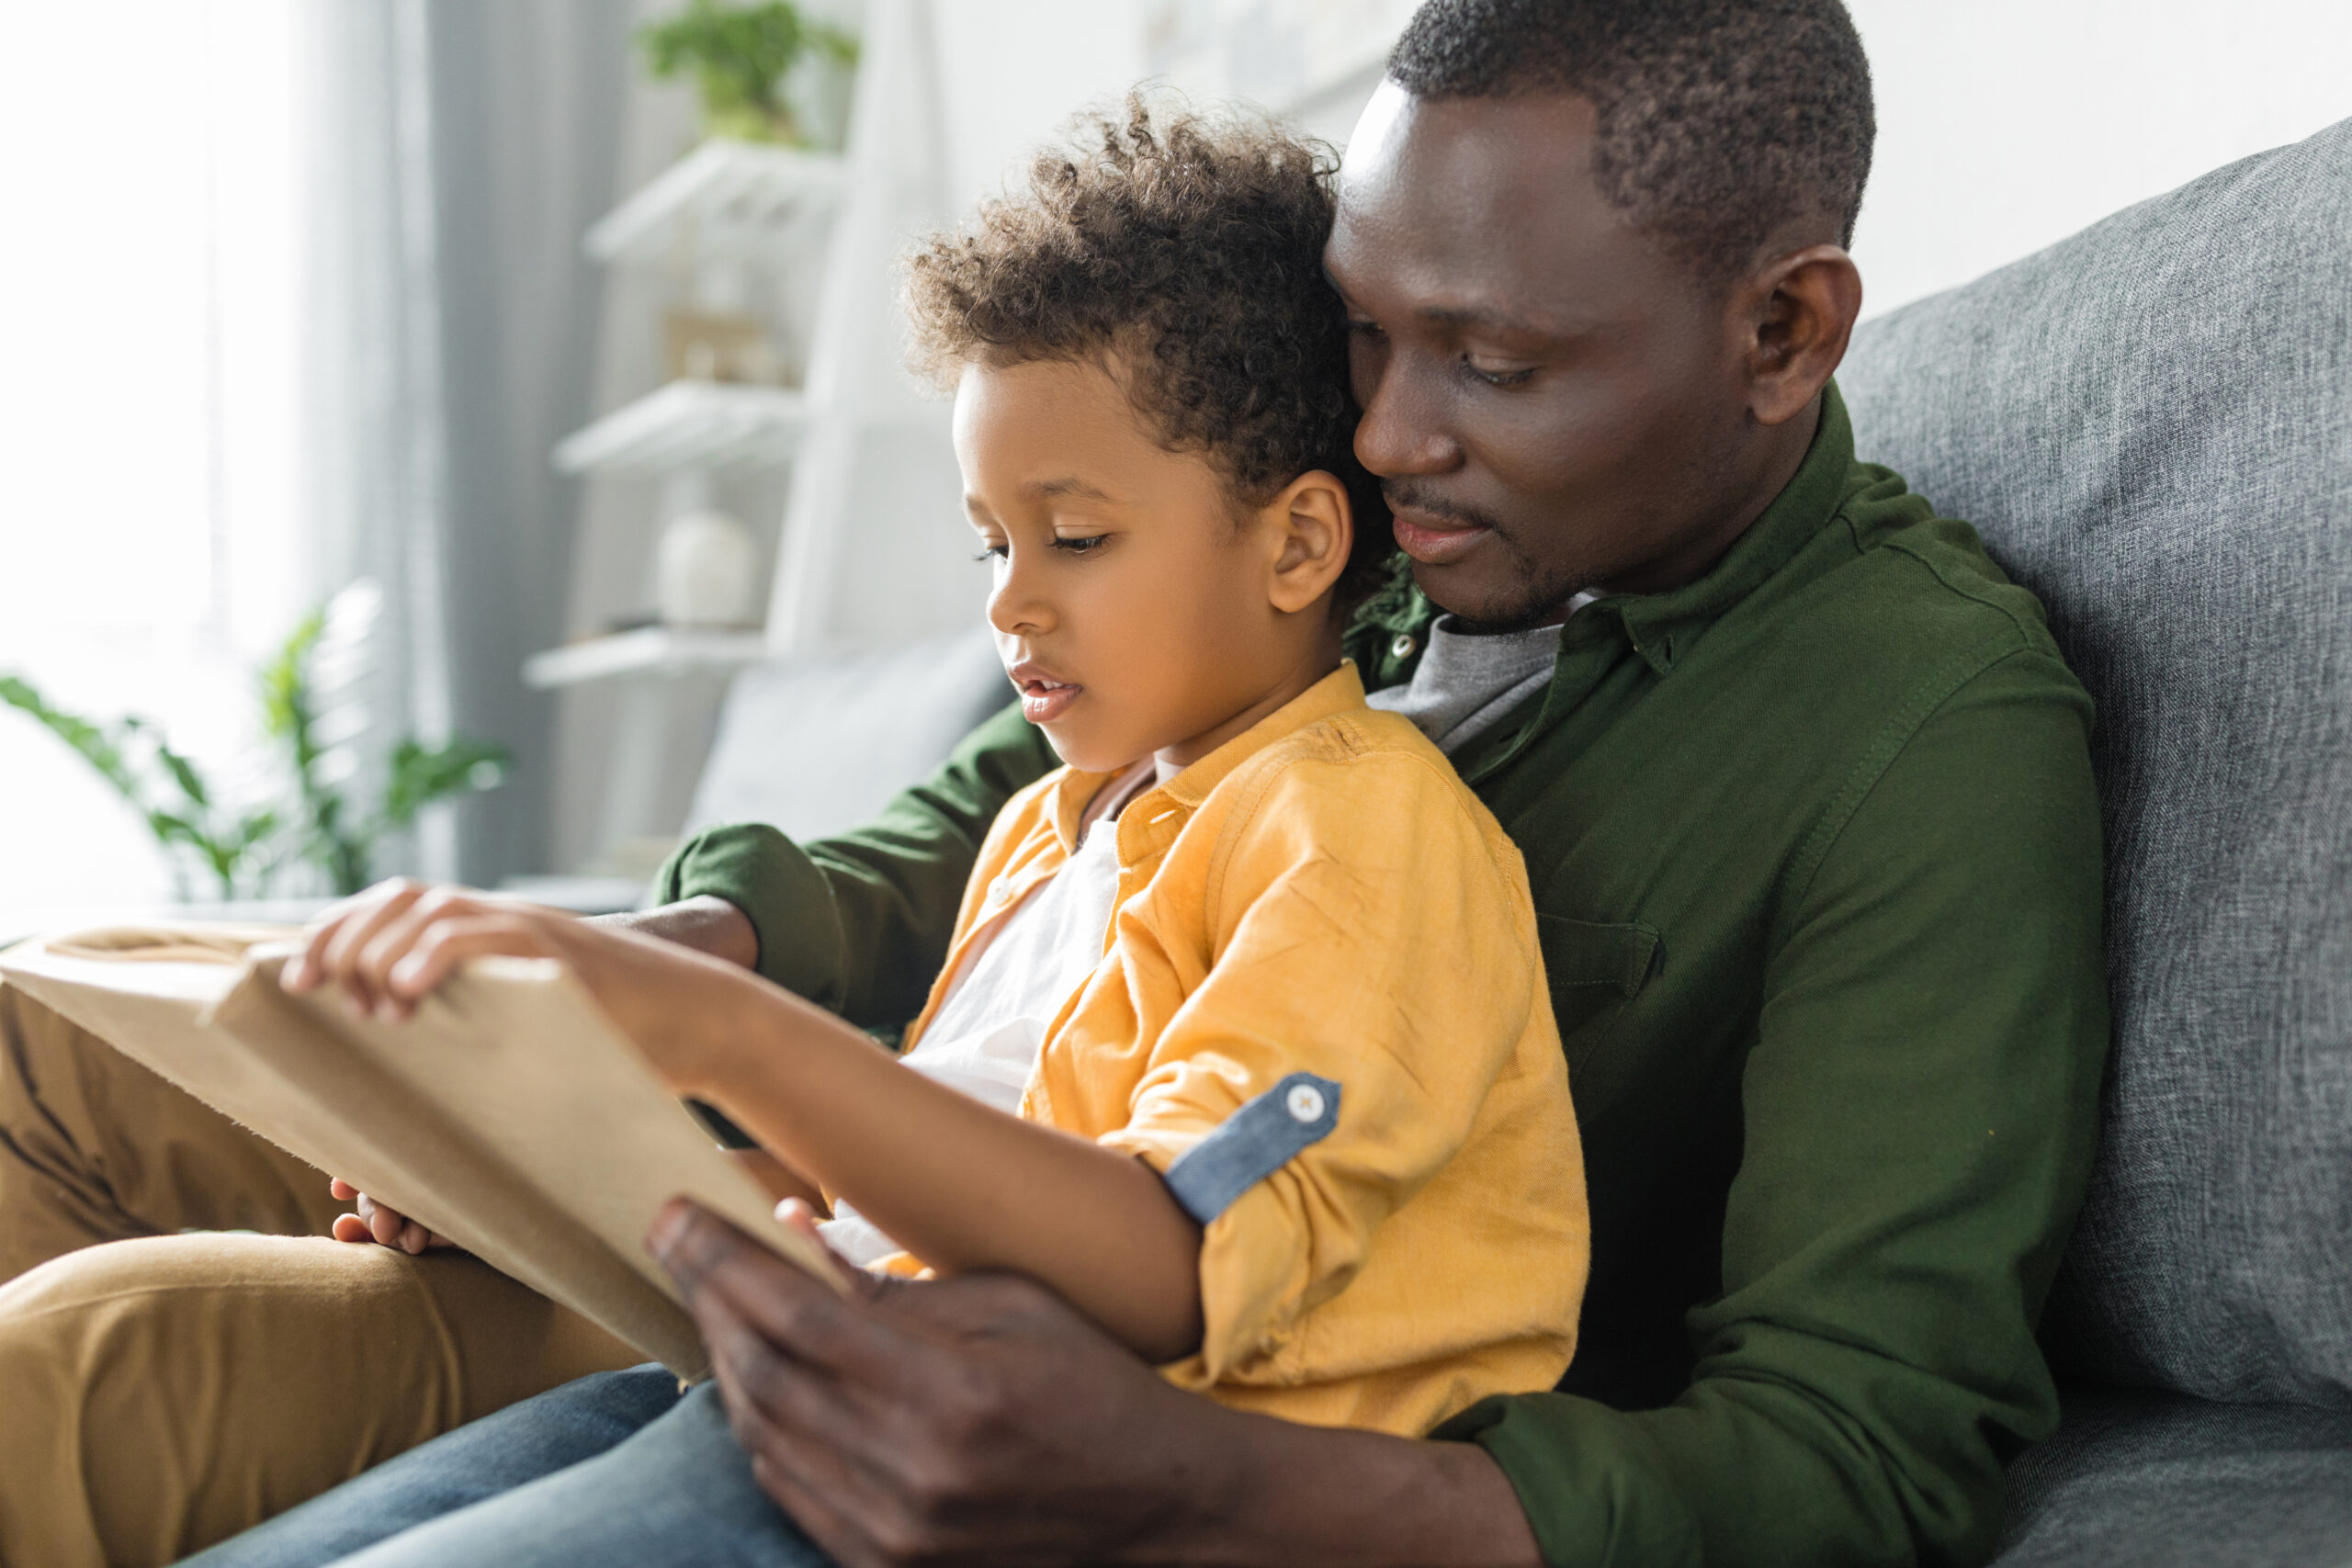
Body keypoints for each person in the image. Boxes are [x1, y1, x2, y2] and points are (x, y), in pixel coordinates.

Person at [2, 1, 2109, 1564]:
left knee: (100, 1372)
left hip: (1110, 1370)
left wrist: (1204, 1479)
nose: (1376, 438)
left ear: (1781, 330)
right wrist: (607, 1003)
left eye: (1491, 361)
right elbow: (984, 838)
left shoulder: (1918, 725)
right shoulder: (1346, 564)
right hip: (820, 1237)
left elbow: (1856, 1447)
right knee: (48, 1033)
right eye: (1362, 338)